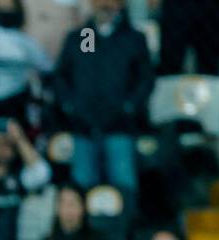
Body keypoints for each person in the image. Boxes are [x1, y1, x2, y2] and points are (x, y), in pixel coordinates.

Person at [52, 0, 154, 214]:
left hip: (120, 127)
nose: (105, 4)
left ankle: (123, 238)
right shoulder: (82, 37)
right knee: (82, 187)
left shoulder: (133, 38)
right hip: (83, 127)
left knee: (122, 186)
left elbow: (145, 79)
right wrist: (71, 105)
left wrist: (129, 107)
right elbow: (62, 75)